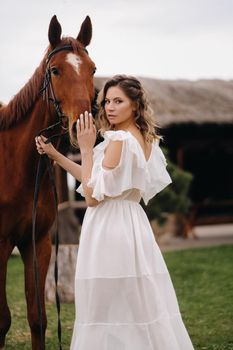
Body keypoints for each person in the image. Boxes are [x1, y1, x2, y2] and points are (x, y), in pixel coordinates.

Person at [35, 75, 195, 350]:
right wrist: (55, 155)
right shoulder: (145, 138)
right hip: (132, 223)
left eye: (118, 101)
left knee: (101, 305)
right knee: (140, 303)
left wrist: (85, 148)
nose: (109, 107)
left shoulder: (119, 139)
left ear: (135, 105)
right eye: (107, 101)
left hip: (109, 227)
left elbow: (92, 197)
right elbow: (94, 180)